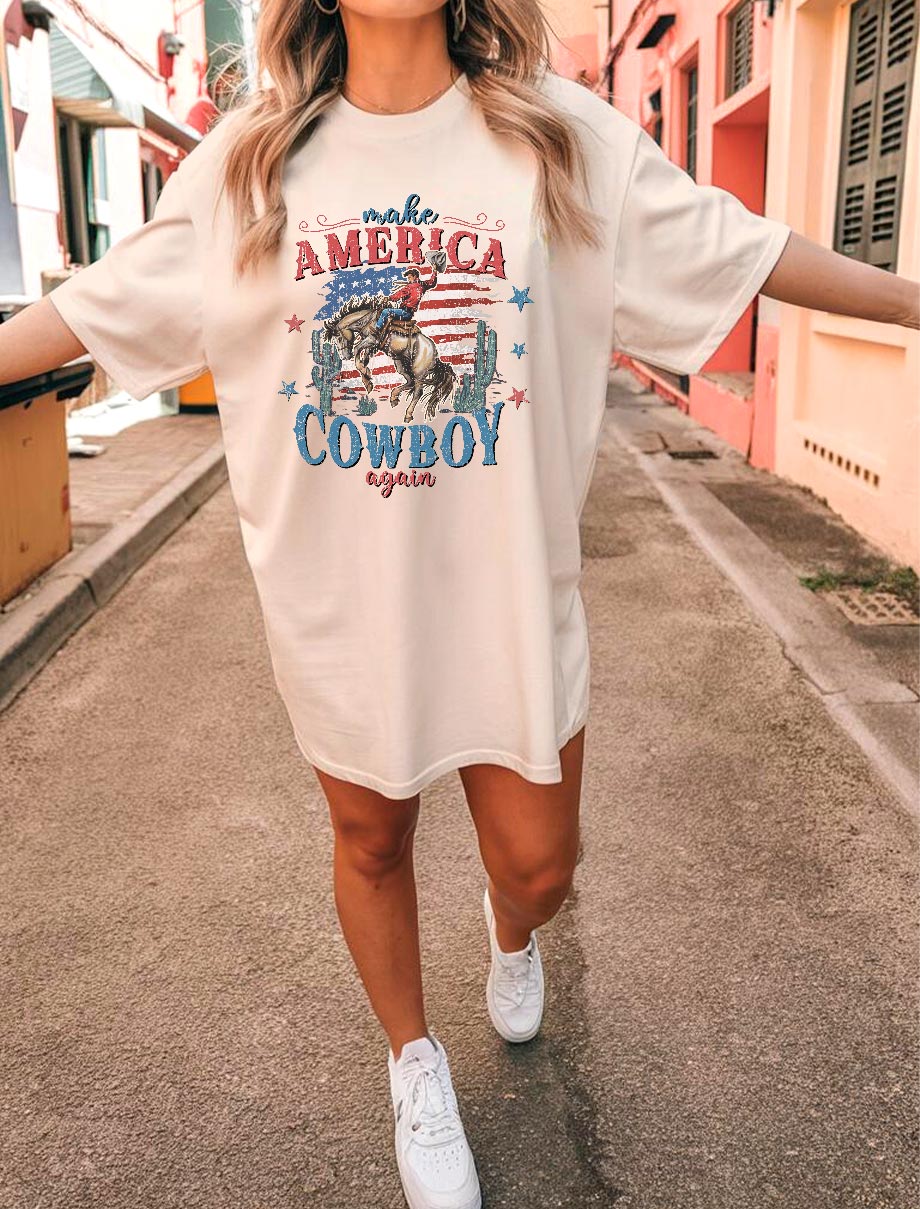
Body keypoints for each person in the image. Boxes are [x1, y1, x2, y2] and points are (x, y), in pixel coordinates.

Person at [1, 2, 917, 1206]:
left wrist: (907, 302)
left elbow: (737, 248)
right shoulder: (250, 163)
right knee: (371, 838)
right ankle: (413, 1062)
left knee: (539, 864)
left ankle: (510, 929)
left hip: (506, 595)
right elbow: (96, 307)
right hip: (340, 602)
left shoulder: (555, 138)